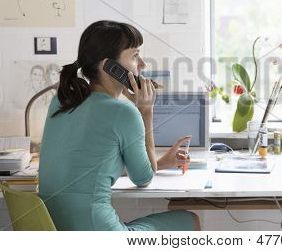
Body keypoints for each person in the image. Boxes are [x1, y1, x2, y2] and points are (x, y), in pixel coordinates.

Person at [38, 20, 200, 231]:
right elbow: (144, 178)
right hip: (98, 233)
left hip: (54, 232)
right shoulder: (124, 112)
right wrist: (145, 112)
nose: (142, 64)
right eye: (134, 56)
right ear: (110, 67)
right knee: (189, 219)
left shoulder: (60, 102)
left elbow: (88, 168)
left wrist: (158, 163)